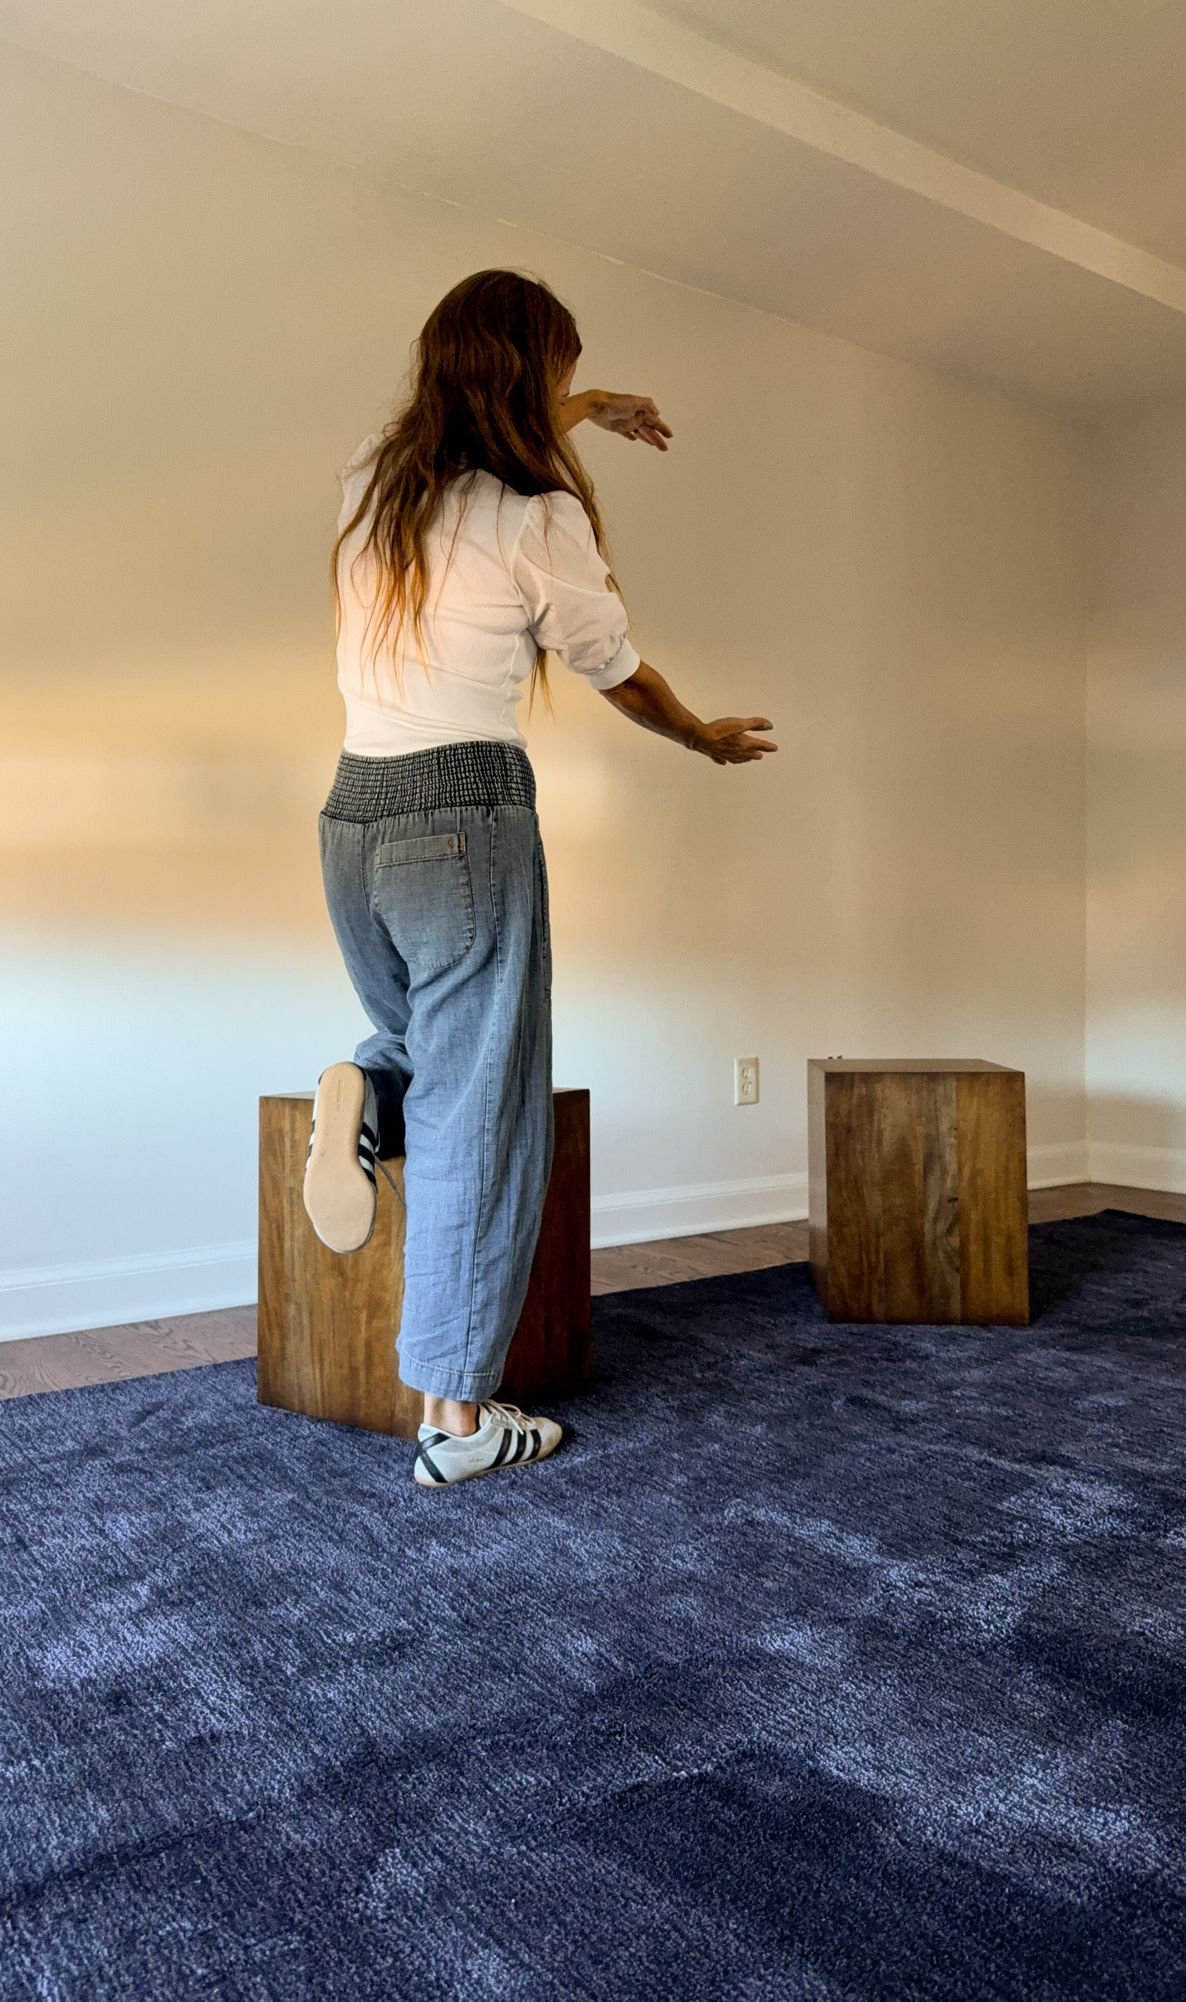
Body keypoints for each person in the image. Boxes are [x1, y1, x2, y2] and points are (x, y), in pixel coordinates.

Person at [305, 268, 776, 1488]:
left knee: (428, 1044)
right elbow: (619, 672)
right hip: (465, 815)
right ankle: (459, 1420)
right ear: (532, 375)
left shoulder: (374, 480)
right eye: (561, 372)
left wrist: (590, 404)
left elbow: (475, 427)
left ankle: (364, 1082)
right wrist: (704, 735)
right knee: (486, 1112)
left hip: (352, 813)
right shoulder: (539, 520)